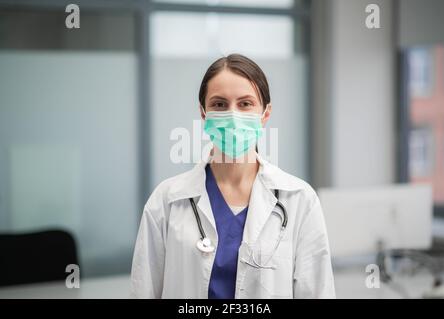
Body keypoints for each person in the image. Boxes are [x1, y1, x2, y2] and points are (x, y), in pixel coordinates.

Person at [131, 53, 335, 299]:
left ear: (265, 114)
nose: (233, 115)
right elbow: (143, 291)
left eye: (245, 103)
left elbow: (317, 293)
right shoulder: (166, 200)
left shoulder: (300, 200)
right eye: (219, 104)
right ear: (204, 114)